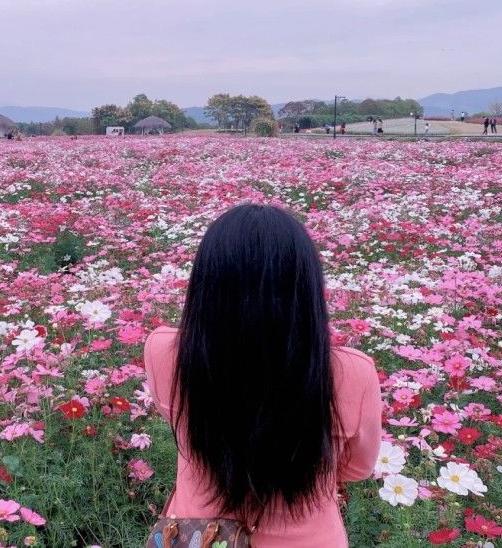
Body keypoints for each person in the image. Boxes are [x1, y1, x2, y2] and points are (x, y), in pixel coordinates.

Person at [145, 205, 382, 548]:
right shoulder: (353, 374)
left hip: (199, 537)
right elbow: (358, 469)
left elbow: (180, 418)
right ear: (306, 287)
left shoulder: (164, 352)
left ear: (206, 283)